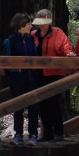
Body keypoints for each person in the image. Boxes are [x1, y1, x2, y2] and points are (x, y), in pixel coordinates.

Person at [32, 9, 74, 142]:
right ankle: (47, 134)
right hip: (38, 74)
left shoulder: (57, 32)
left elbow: (66, 47)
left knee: (53, 103)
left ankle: (59, 133)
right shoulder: (33, 34)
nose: (41, 25)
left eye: (44, 22)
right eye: (39, 22)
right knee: (42, 104)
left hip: (54, 73)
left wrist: (69, 54)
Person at [2, 13, 39, 145]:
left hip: (31, 77)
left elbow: (35, 57)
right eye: (28, 23)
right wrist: (14, 70)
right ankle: (18, 134)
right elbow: (6, 62)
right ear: (21, 24)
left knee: (33, 106)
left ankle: (33, 134)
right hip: (17, 78)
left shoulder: (31, 39)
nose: (31, 25)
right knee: (18, 105)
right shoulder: (10, 40)